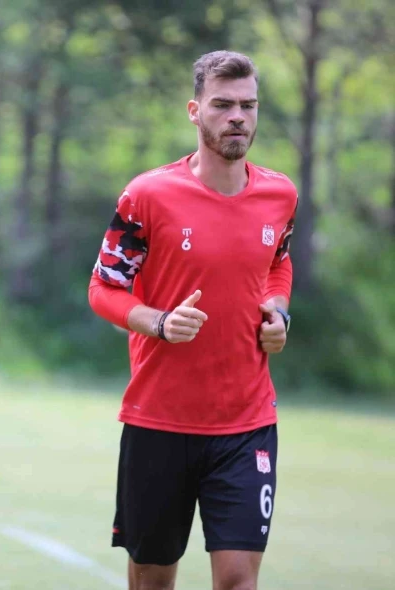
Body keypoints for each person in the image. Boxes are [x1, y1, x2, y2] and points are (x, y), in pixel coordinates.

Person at [88, 51, 297, 590]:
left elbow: (278, 263)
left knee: (237, 579)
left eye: (248, 105)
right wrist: (158, 322)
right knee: (153, 579)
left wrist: (278, 311)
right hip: (159, 422)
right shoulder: (147, 195)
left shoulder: (280, 194)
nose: (238, 117)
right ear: (194, 110)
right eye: (223, 104)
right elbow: (103, 288)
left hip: (247, 423)